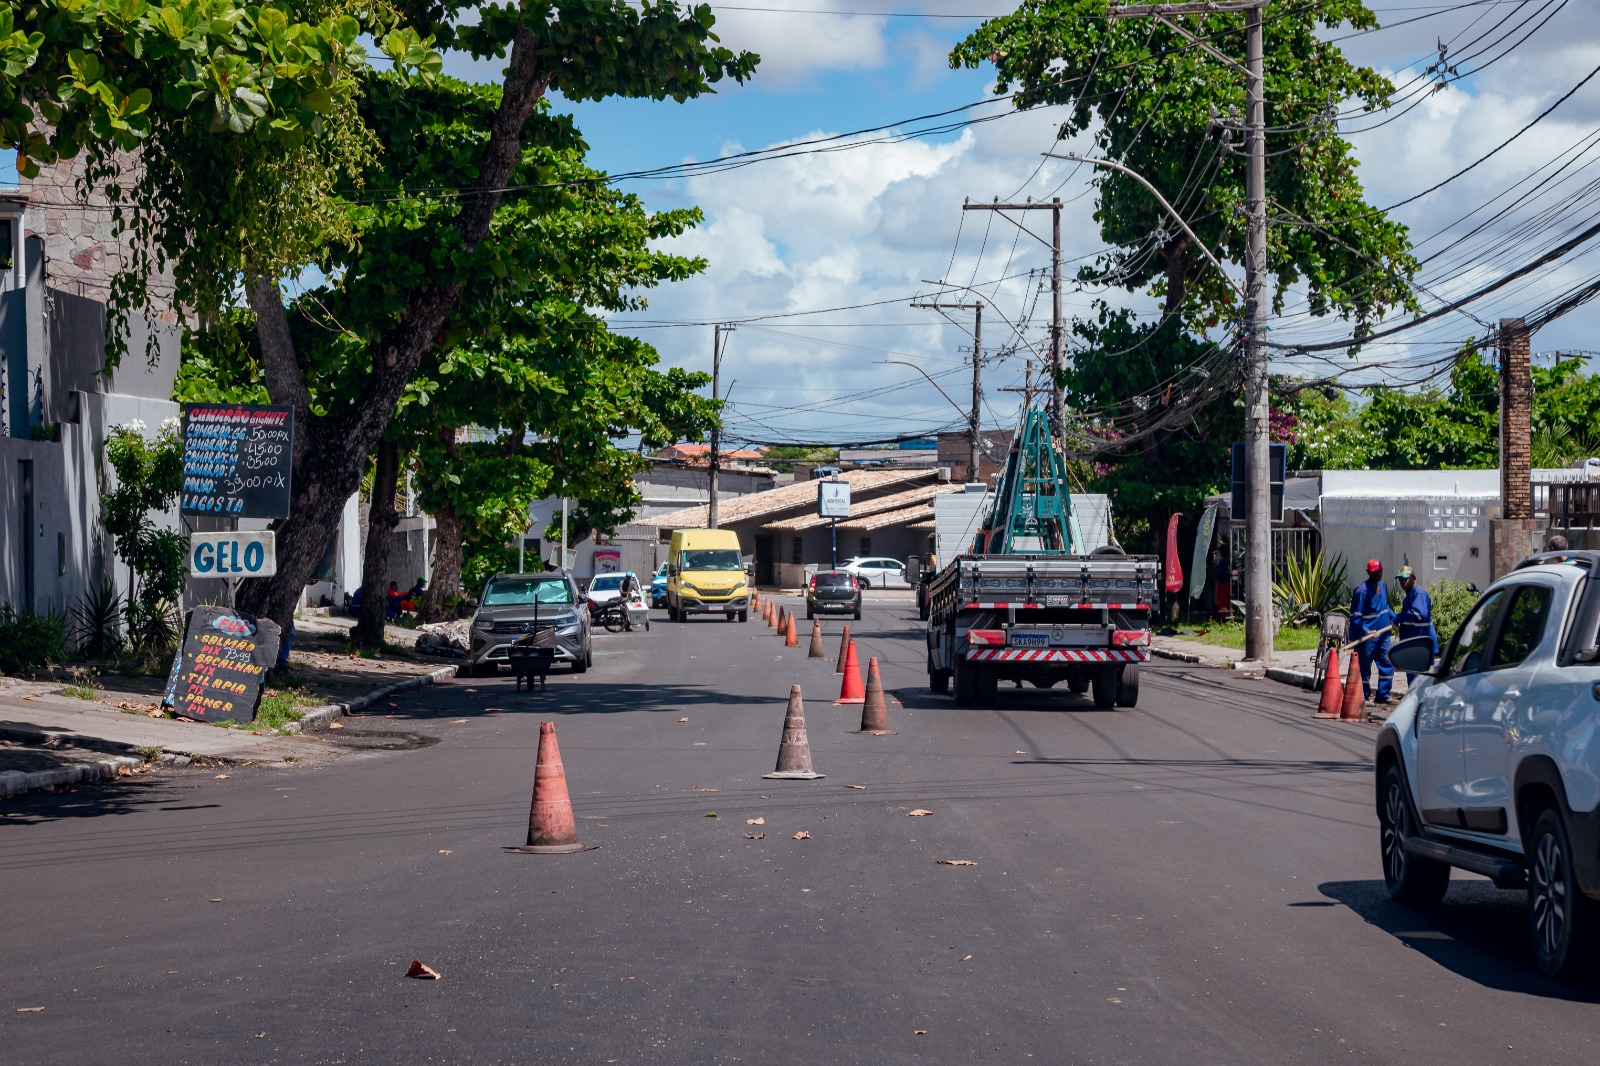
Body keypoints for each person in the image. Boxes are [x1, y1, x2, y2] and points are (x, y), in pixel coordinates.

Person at [1348, 559, 1395, 704]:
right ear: (1368, 573)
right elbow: (1356, 617)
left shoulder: (1382, 586)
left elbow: (1385, 608)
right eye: (1375, 573)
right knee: (1364, 667)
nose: (1378, 575)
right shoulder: (1362, 591)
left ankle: (1383, 695)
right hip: (1368, 638)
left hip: (1383, 635)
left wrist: (1395, 618)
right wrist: (1366, 631)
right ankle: (1364, 695)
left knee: (1387, 663)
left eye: (1380, 571)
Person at [1394, 565, 1438, 685]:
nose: (1403, 582)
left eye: (1406, 579)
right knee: (1415, 680)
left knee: (1418, 681)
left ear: (1414, 578)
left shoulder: (1418, 593)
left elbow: (1418, 614)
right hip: (1414, 644)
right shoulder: (1411, 594)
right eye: (1401, 579)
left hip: (1419, 645)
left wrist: (1399, 618)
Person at [1209, 548, 1233, 622]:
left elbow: (1219, 571)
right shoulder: (1223, 561)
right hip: (1222, 582)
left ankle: (1223, 616)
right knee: (1221, 599)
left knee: (1222, 599)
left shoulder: (1225, 561)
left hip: (1223, 582)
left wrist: (1216, 569)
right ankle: (1221, 615)